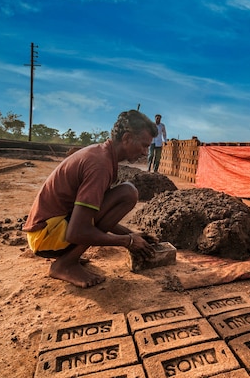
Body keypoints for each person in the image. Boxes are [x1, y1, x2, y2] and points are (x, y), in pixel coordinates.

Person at [23, 110, 159, 288]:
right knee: (127, 194)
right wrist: (127, 241)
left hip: (48, 229)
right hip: (46, 236)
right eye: (143, 145)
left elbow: (95, 215)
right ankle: (65, 264)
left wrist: (130, 234)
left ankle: (69, 258)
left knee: (125, 192)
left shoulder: (102, 155)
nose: (145, 152)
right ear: (126, 138)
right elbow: (77, 232)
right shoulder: (100, 165)